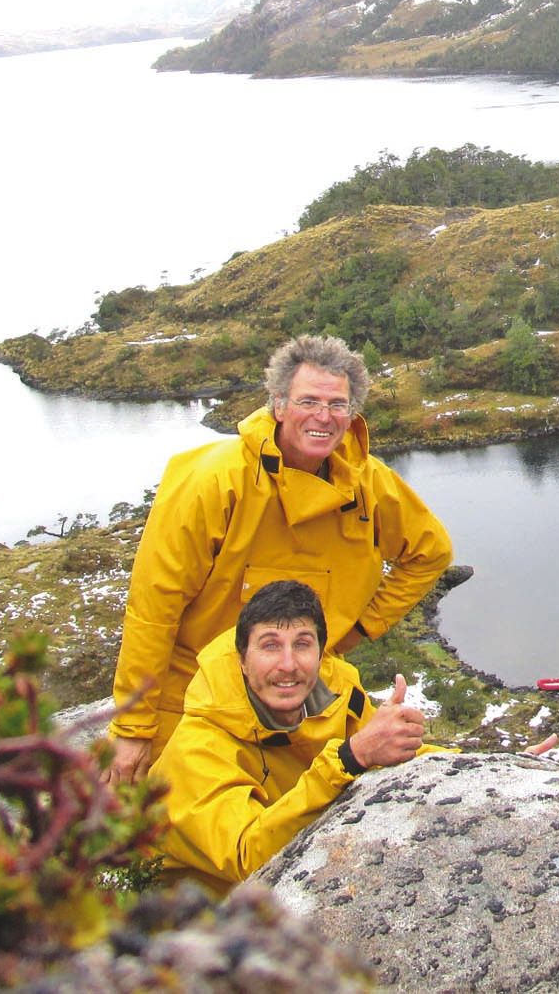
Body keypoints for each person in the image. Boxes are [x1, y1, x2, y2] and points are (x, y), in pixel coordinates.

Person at [105, 334, 453, 785]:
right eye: (308, 400)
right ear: (279, 405)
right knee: (163, 827)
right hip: (195, 690)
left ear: (352, 415)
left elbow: (431, 552)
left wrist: (357, 629)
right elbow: (154, 609)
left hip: (299, 687)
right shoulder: (216, 480)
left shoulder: (368, 481)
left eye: (337, 404)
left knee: (326, 796)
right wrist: (133, 728)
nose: (323, 417)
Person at [150, 579, 442, 894]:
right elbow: (247, 858)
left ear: (320, 654)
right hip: (201, 913)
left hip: (297, 889)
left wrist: (465, 763)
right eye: (270, 645)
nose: (288, 665)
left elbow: (382, 751)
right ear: (243, 661)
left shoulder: (337, 694)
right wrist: (348, 759)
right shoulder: (197, 747)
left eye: (302, 644)